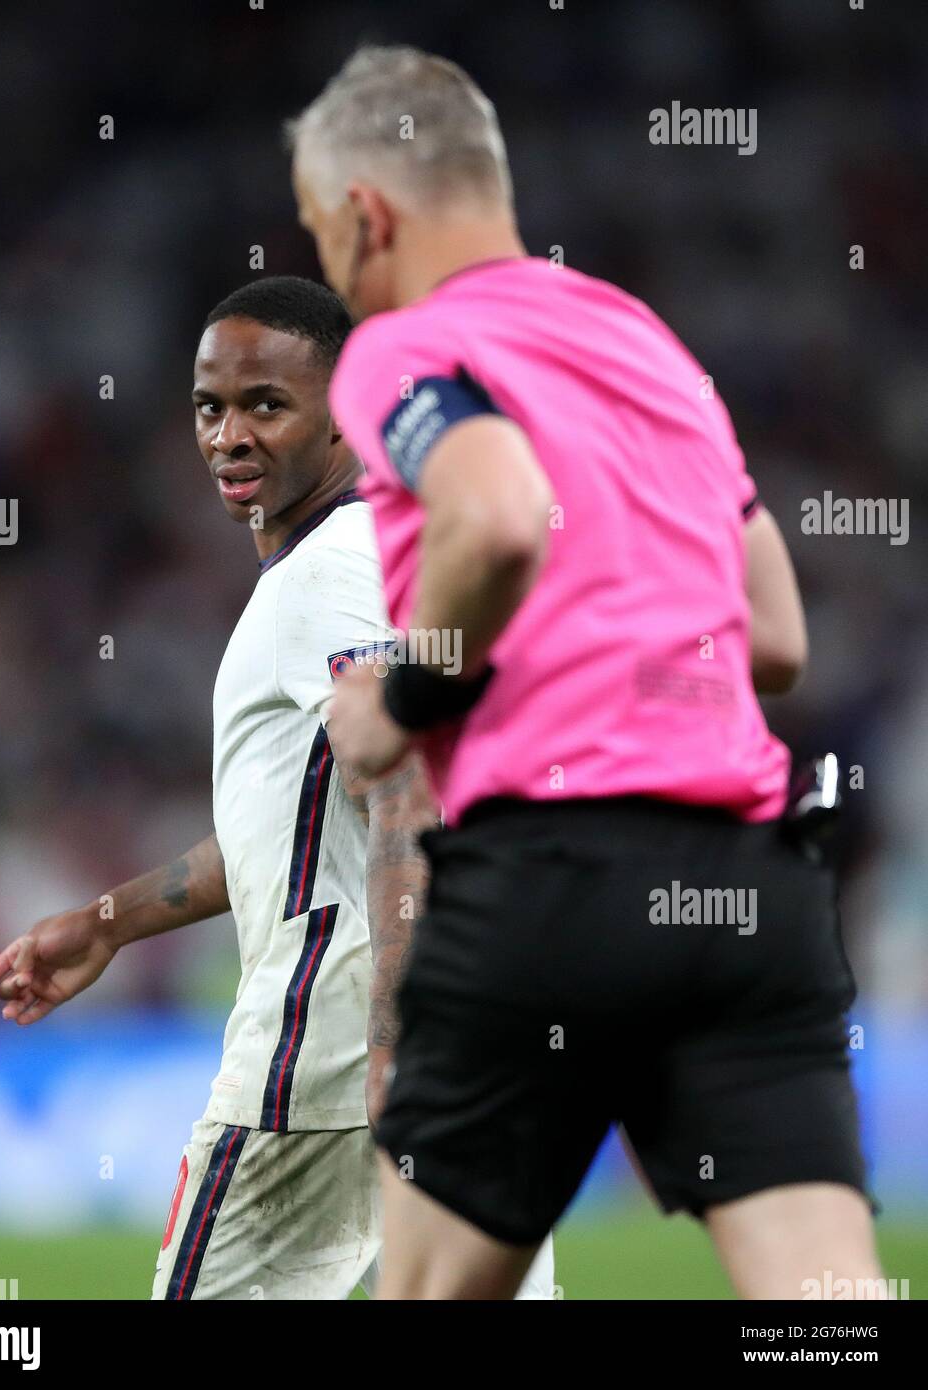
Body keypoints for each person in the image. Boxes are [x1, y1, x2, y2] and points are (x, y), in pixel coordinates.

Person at [288, 46, 883, 1300]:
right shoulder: (646, 345)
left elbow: (497, 513)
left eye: (318, 233)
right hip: (748, 891)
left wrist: (398, 701)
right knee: (828, 1315)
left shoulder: (402, 348)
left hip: (546, 886)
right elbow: (775, 634)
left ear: (365, 215)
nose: (334, 271)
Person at [0, 275, 555, 1300]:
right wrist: (110, 921)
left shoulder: (328, 576)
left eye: (266, 405)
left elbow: (404, 791)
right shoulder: (396, 559)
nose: (229, 435)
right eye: (210, 406)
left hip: (325, 1067)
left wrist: (392, 1040)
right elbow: (298, 834)